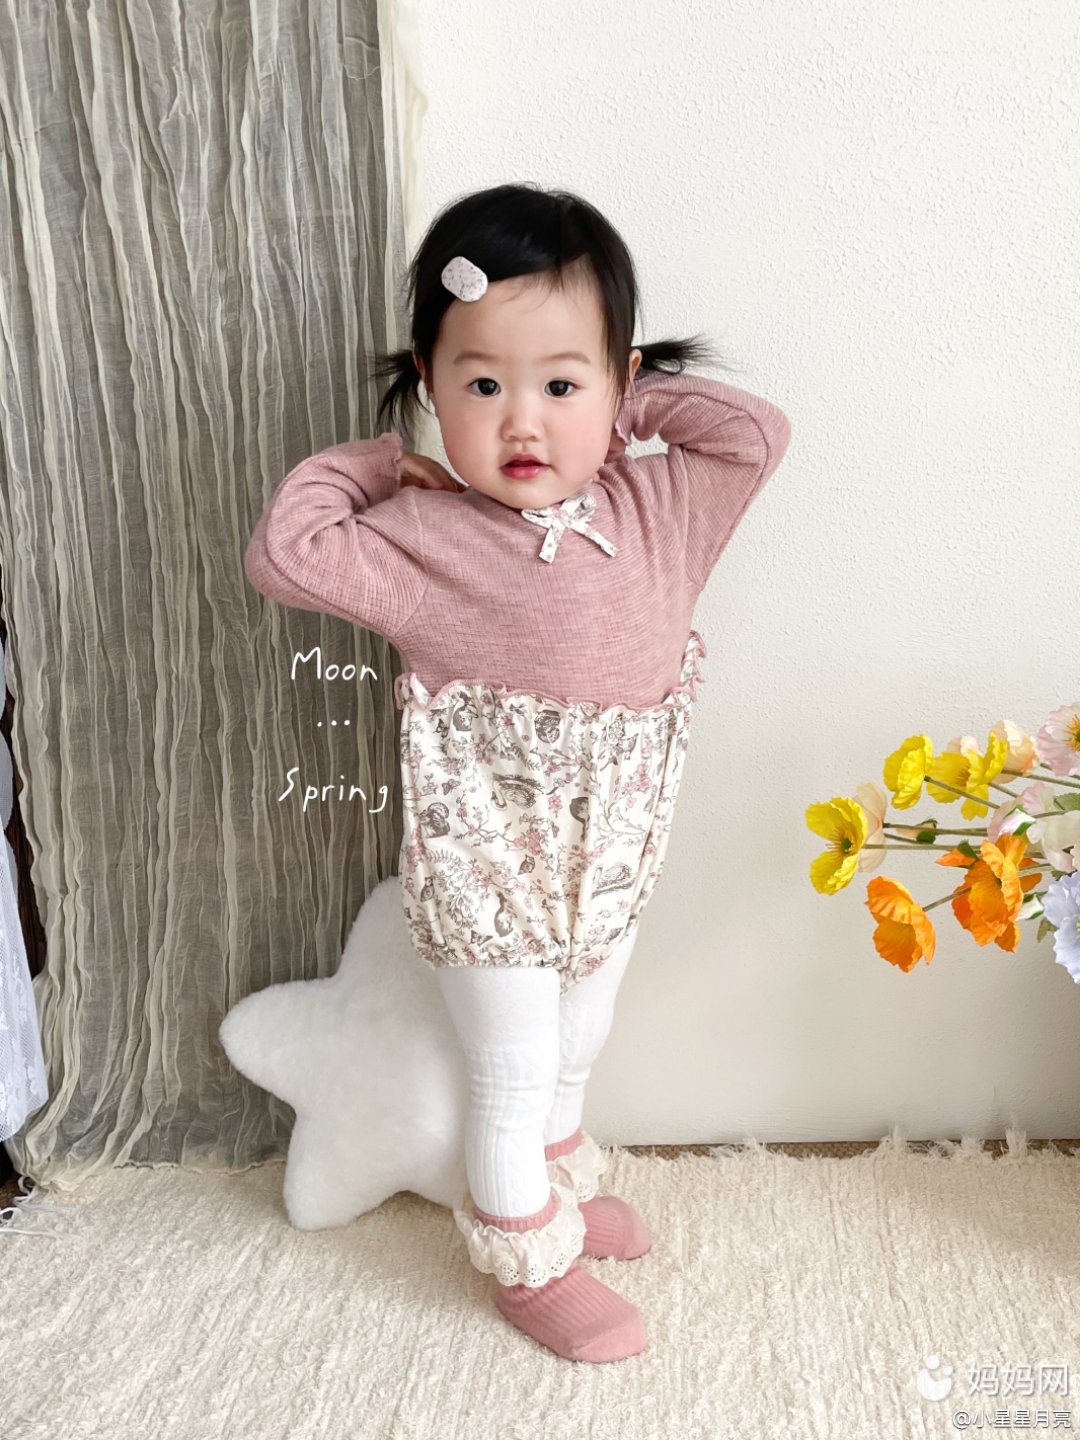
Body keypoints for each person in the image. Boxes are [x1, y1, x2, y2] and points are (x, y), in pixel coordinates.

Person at [244, 183, 792, 1363]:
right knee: (515, 1063)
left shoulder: (659, 506)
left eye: (562, 384)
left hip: (612, 864)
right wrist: (382, 467)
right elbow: (286, 552)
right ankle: (526, 1259)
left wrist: (631, 395)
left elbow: (755, 435)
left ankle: (553, 1188)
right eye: (483, 385)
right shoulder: (422, 540)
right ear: (431, 385)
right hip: (486, 870)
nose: (522, 421)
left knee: (581, 1040)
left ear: (618, 382)